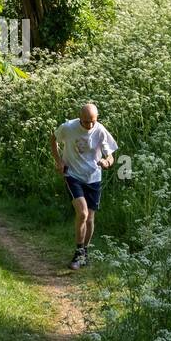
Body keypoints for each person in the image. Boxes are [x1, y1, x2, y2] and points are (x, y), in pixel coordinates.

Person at [51, 102, 118, 270]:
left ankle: (84, 253)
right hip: (72, 175)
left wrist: (106, 162)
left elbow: (111, 156)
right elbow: (53, 139)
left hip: (93, 177)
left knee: (90, 219)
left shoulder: (100, 130)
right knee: (82, 213)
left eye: (93, 121)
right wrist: (59, 162)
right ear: (79, 117)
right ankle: (78, 252)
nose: (90, 125)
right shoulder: (68, 127)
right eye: (86, 121)